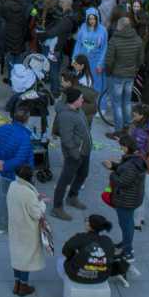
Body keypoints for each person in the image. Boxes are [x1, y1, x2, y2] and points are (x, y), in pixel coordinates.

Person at [0, 105, 35, 235]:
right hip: (20, 175)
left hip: (4, 172)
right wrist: (4, 165)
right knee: (23, 199)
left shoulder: (1, 129)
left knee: (3, 197)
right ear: (27, 119)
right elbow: (20, 159)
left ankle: (1, 225)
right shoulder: (25, 137)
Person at [104, 134, 147, 261]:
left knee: (126, 224)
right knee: (127, 223)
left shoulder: (131, 165)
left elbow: (121, 182)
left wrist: (111, 173)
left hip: (126, 200)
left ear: (127, 147)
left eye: (122, 146)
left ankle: (128, 252)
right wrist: (114, 165)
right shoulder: (135, 158)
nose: (121, 149)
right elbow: (124, 171)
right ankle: (125, 243)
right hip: (132, 198)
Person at [7, 163, 48, 297]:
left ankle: (16, 283)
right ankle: (23, 286)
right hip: (28, 230)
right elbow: (37, 214)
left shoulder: (13, 186)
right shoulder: (28, 193)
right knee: (26, 259)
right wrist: (41, 203)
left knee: (17, 256)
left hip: (15, 227)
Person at [51, 87, 92, 220]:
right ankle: (57, 207)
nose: (82, 100)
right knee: (65, 180)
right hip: (75, 154)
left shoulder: (78, 110)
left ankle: (72, 197)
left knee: (83, 174)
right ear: (74, 101)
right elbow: (67, 139)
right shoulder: (66, 115)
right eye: (80, 98)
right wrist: (76, 153)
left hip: (84, 150)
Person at [103, 16, 142, 137]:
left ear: (120, 26)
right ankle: (127, 126)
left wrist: (109, 72)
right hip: (130, 75)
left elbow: (108, 61)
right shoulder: (137, 39)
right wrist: (134, 70)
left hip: (117, 75)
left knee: (117, 103)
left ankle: (119, 131)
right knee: (127, 102)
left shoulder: (114, 40)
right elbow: (140, 60)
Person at [60, 214, 118, 285]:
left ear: (89, 225)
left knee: (61, 260)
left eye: (87, 220)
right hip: (101, 277)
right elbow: (110, 256)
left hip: (76, 276)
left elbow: (65, 251)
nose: (86, 221)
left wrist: (73, 256)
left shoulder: (80, 237)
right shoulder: (107, 240)